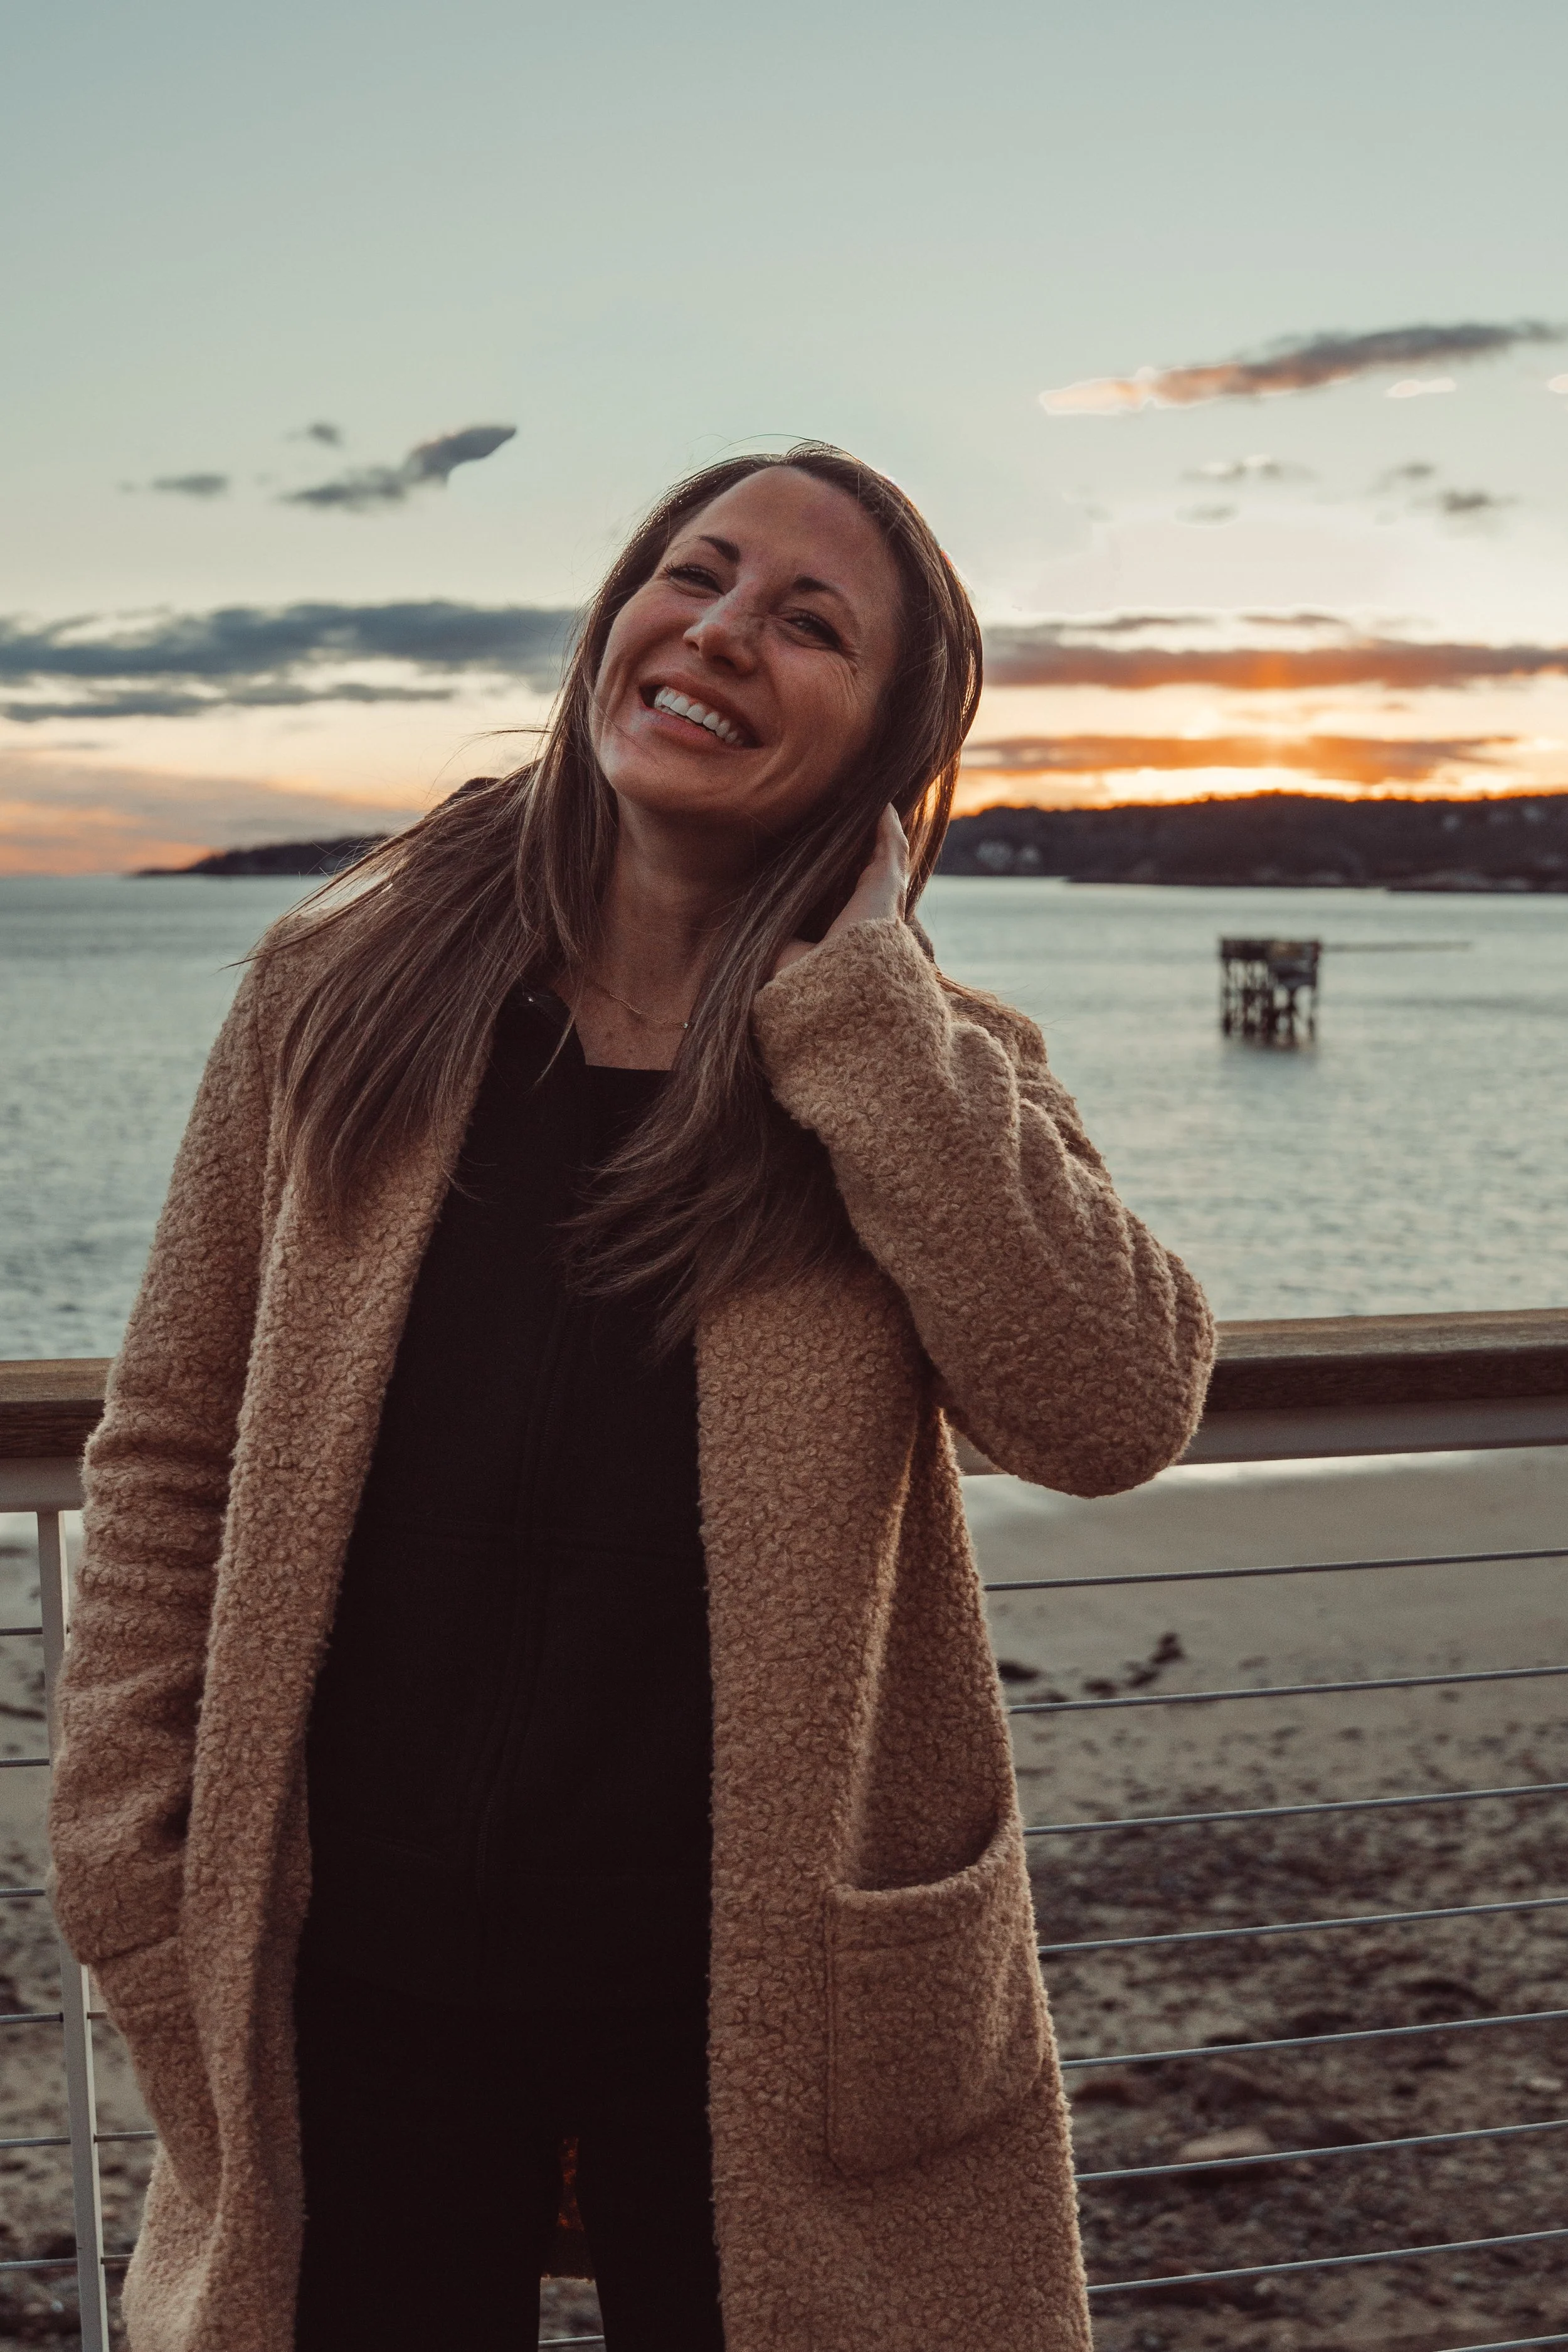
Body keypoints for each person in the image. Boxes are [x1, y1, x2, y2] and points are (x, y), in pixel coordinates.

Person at [48, 443, 1215, 2352]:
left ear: (880, 752)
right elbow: (174, 1437)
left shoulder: (917, 1069)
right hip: (353, 1982)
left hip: (759, 2005)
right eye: (696, 572)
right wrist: (129, 1853)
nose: (722, 632)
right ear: (613, 616)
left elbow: (1112, 1404)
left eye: (809, 621)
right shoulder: (335, 997)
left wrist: (860, 1013)